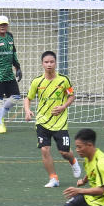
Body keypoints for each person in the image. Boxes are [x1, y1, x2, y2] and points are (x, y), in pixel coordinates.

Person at [24, 50, 82, 188]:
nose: (49, 64)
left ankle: (73, 161)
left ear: (55, 63)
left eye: (51, 62)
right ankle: (53, 178)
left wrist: (63, 107)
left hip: (60, 123)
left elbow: (71, 96)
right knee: (45, 149)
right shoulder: (37, 81)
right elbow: (28, 98)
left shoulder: (63, 80)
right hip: (42, 121)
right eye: (46, 62)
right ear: (42, 64)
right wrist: (27, 110)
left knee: (64, 152)